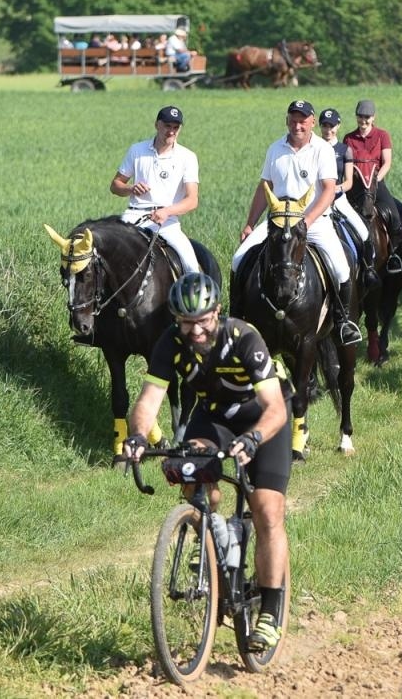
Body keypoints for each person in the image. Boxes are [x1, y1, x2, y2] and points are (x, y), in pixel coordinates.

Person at [122, 273, 292, 653]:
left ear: (217, 312)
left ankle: (270, 611)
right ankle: (213, 539)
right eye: (186, 322)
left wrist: (254, 439)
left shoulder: (244, 337)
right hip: (214, 416)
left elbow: (275, 408)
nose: (196, 330)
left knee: (266, 509)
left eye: (202, 321)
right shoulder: (170, 343)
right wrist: (137, 436)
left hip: (264, 417)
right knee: (191, 471)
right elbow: (149, 400)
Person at [233, 100, 364, 347]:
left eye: (302, 121)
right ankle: (236, 317)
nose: (297, 126)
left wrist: (308, 220)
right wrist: (250, 224)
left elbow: (328, 190)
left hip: (313, 222)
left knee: (341, 268)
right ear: (287, 121)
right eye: (293, 121)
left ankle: (343, 321)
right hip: (278, 221)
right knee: (239, 258)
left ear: (312, 122)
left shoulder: (322, 150)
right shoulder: (275, 149)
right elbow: (265, 187)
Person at [110, 105, 201, 273]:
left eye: (176, 127)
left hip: (167, 222)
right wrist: (131, 188)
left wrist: (166, 212)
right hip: (133, 216)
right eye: (167, 126)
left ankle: (197, 290)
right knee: (107, 255)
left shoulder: (188, 157)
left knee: (191, 267)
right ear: (157, 125)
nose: (171, 131)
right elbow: (115, 185)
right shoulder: (136, 150)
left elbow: (192, 200)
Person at [318, 107, 378, 289]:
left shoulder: (345, 150)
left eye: (331, 126)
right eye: (324, 126)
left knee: (364, 232)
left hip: (338, 200)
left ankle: (368, 270)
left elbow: (349, 182)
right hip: (318, 200)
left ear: (338, 126)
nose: (328, 130)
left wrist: (334, 189)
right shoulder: (314, 148)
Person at [343, 99, 402, 273]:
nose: (363, 120)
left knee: (395, 217)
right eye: (360, 116)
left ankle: (393, 254)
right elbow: (347, 164)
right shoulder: (349, 138)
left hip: (376, 182)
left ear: (373, 117)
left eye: (367, 117)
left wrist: (375, 181)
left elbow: (387, 162)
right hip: (356, 185)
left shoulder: (382, 135)